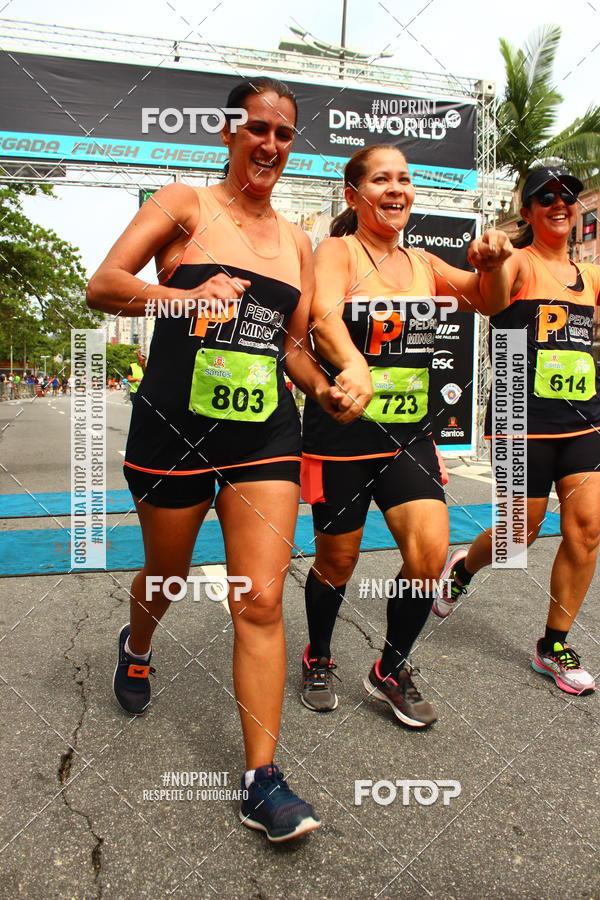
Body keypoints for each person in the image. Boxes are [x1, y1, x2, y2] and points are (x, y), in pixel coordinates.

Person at [87, 77, 340, 841]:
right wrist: (180, 299)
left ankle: (262, 779)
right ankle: (138, 644)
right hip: (174, 429)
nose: (269, 145)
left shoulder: (298, 241)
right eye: (257, 129)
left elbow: (291, 345)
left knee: (260, 600)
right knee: (163, 574)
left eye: (284, 134)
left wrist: (324, 389)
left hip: (264, 433)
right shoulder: (183, 204)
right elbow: (103, 286)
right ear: (229, 133)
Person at [300, 143, 511, 726]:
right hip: (342, 432)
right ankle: (317, 654)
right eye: (382, 180)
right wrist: (354, 365)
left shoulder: (423, 264)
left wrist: (492, 265)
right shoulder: (337, 251)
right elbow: (321, 315)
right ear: (354, 194)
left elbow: (488, 302)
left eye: (405, 179)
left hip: (407, 435)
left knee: (428, 555)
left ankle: (390, 667)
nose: (396, 189)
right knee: (336, 562)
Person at [433, 166, 599, 697]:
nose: (560, 203)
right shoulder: (518, 261)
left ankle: (553, 644)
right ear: (527, 211)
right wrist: (497, 258)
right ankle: (462, 568)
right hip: (518, 416)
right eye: (545, 196)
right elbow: (497, 305)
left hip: (582, 420)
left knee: (588, 528)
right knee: (515, 536)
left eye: (568, 195)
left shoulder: (591, 276)